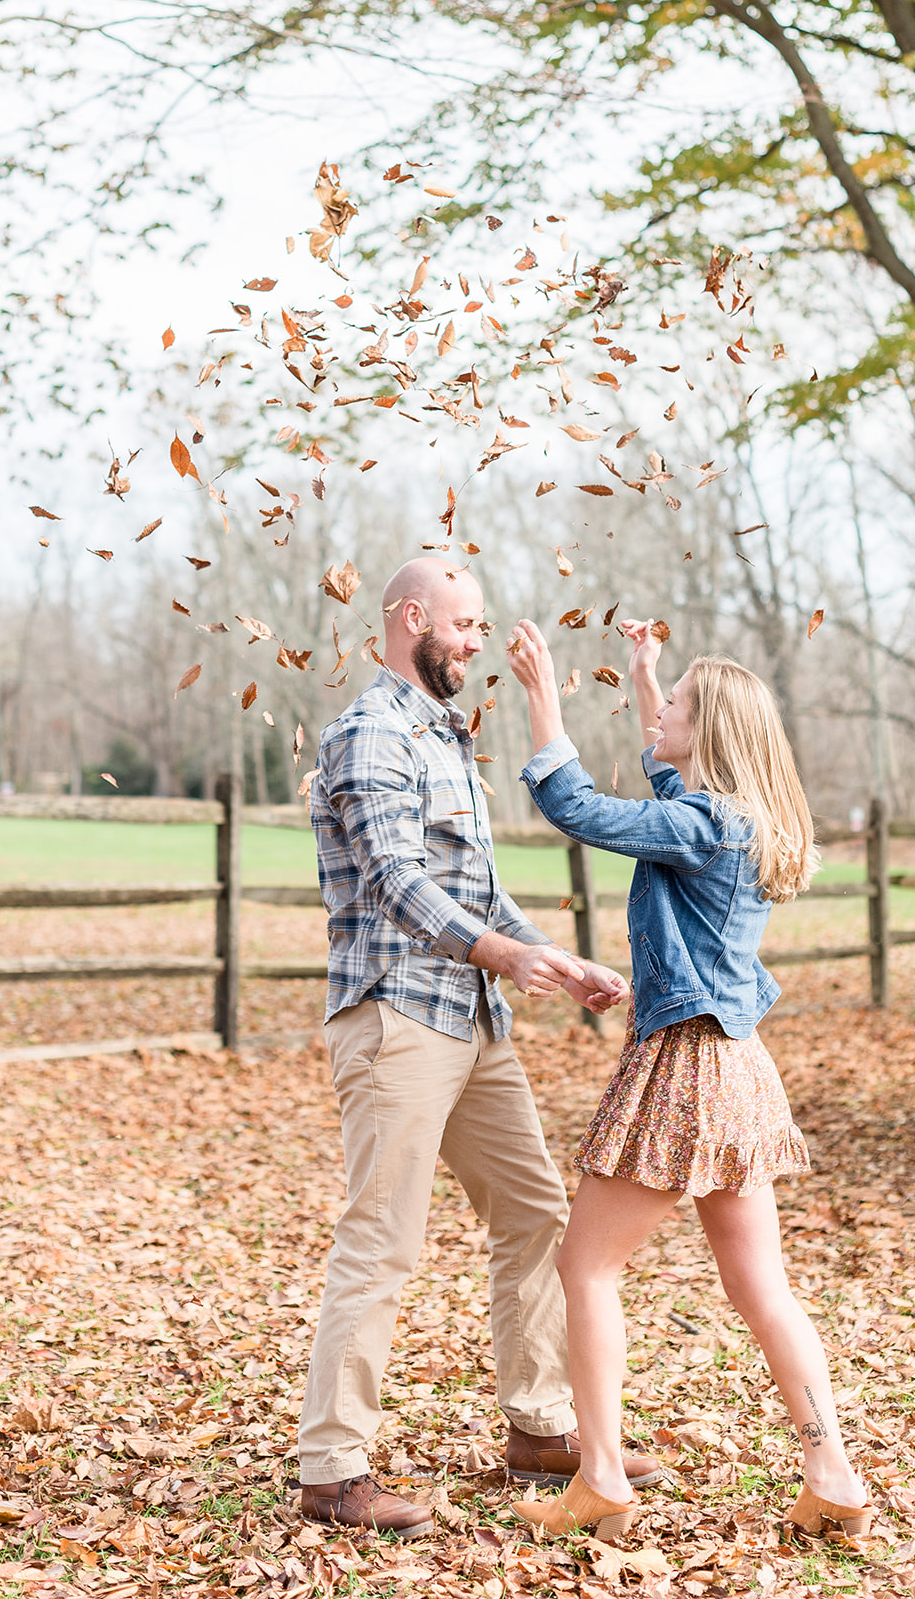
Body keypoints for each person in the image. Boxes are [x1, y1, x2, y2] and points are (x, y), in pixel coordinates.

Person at [296, 558, 662, 1538]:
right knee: (382, 1236)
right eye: (463, 624)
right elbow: (395, 882)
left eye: (479, 625)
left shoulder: (449, 737)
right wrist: (502, 951)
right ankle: (332, 1469)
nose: (474, 641)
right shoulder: (372, 732)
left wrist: (552, 956)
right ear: (410, 617)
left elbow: (473, 885)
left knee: (538, 1213)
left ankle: (542, 1424)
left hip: (473, 1023)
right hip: (398, 1018)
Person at [504, 615, 872, 1543]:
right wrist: (643, 673)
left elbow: (580, 810)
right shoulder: (734, 819)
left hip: (687, 1070)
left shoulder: (701, 825)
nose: (659, 714)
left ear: (708, 731)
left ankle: (599, 1478)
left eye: (673, 706)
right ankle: (832, 1471)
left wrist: (543, 693)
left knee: (584, 1266)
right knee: (762, 1286)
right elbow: (666, 777)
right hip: (740, 1067)